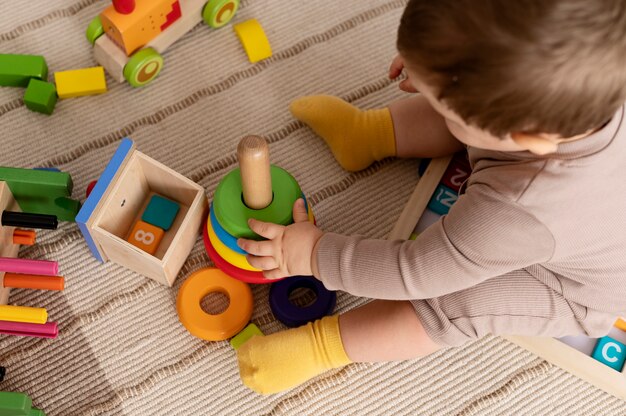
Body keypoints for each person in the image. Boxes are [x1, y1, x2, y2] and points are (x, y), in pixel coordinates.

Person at [234, 0, 626, 394]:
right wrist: (430, 59)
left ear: (529, 139)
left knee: (459, 301)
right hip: (571, 191)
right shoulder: (580, 87)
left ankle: (322, 347)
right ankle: (367, 134)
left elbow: (413, 272)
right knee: (462, 106)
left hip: (572, 288)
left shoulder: (514, 210)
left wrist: (316, 254)